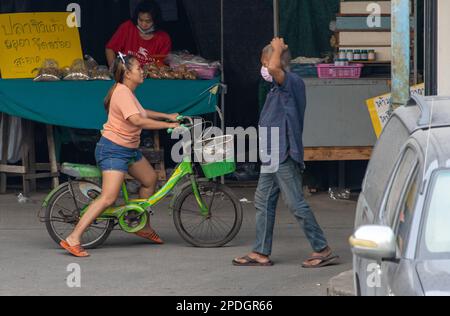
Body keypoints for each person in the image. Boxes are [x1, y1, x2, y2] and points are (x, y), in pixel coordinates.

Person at [60, 53, 180, 257]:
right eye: (138, 68)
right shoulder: (122, 93)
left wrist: (167, 115)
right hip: (113, 150)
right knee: (108, 197)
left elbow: (142, 112)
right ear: (127, 73)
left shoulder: (127, 91)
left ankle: (142, 225)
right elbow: (138, 121)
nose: (142, 71)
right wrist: (168, 125)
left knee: (150, 179)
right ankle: (73, 238)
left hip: (128, 150)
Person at [233, 38, 339, 268]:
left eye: (265, 61)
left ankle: (322, 248)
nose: (263, 67)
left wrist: (278, 48)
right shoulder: (276, 87)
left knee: (295, 203)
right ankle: (261, 251)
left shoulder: (290, 82)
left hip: (283, 153)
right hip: (272, 153)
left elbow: (273, 68)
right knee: (263, 201)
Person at [106, 0, 172, 67]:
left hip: (149, 76)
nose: (143, 24)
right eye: (140, 20)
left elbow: (162, 64)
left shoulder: (163, 38)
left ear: (155, 20)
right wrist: (114, 70)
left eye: (148, 21)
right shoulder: (127, 27)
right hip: (125, 74)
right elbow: (110, 49)